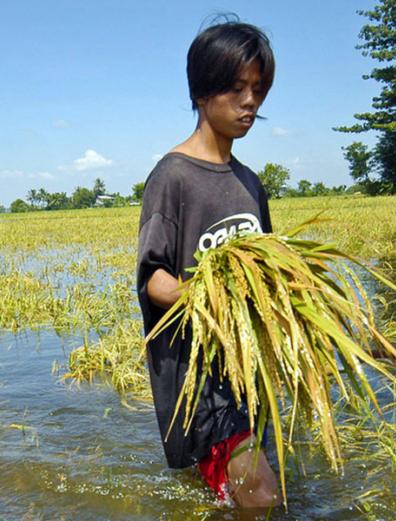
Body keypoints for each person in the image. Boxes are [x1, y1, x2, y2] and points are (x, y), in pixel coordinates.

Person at [135, 19, 282, 509]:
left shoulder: (250, 184)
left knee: (237, 496)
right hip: (200, 376)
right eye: (237, 88)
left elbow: (267, 268)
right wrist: (210, 291)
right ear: (202, 93)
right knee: (258, 496)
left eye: (258, 89)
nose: (250, 102)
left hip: (247, 368)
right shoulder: (173, 177)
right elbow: (153, 277)